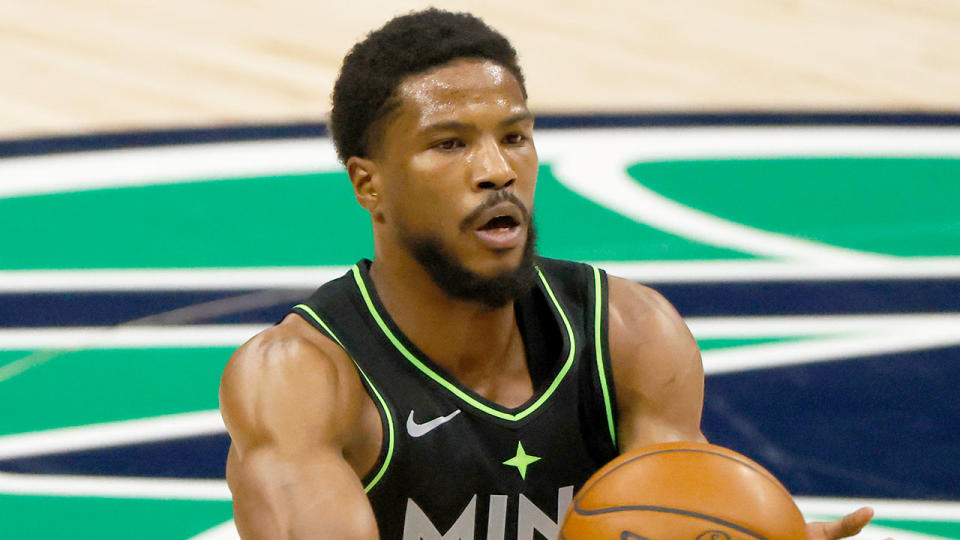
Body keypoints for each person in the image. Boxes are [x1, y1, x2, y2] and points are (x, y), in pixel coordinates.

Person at [219, 8, 877, 539]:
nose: (497, 170)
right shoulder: (301, 381)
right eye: (451, 144)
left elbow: (676, 511)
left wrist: (757, 533)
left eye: (514, 136)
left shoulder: (630, 333)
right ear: (369, 184)